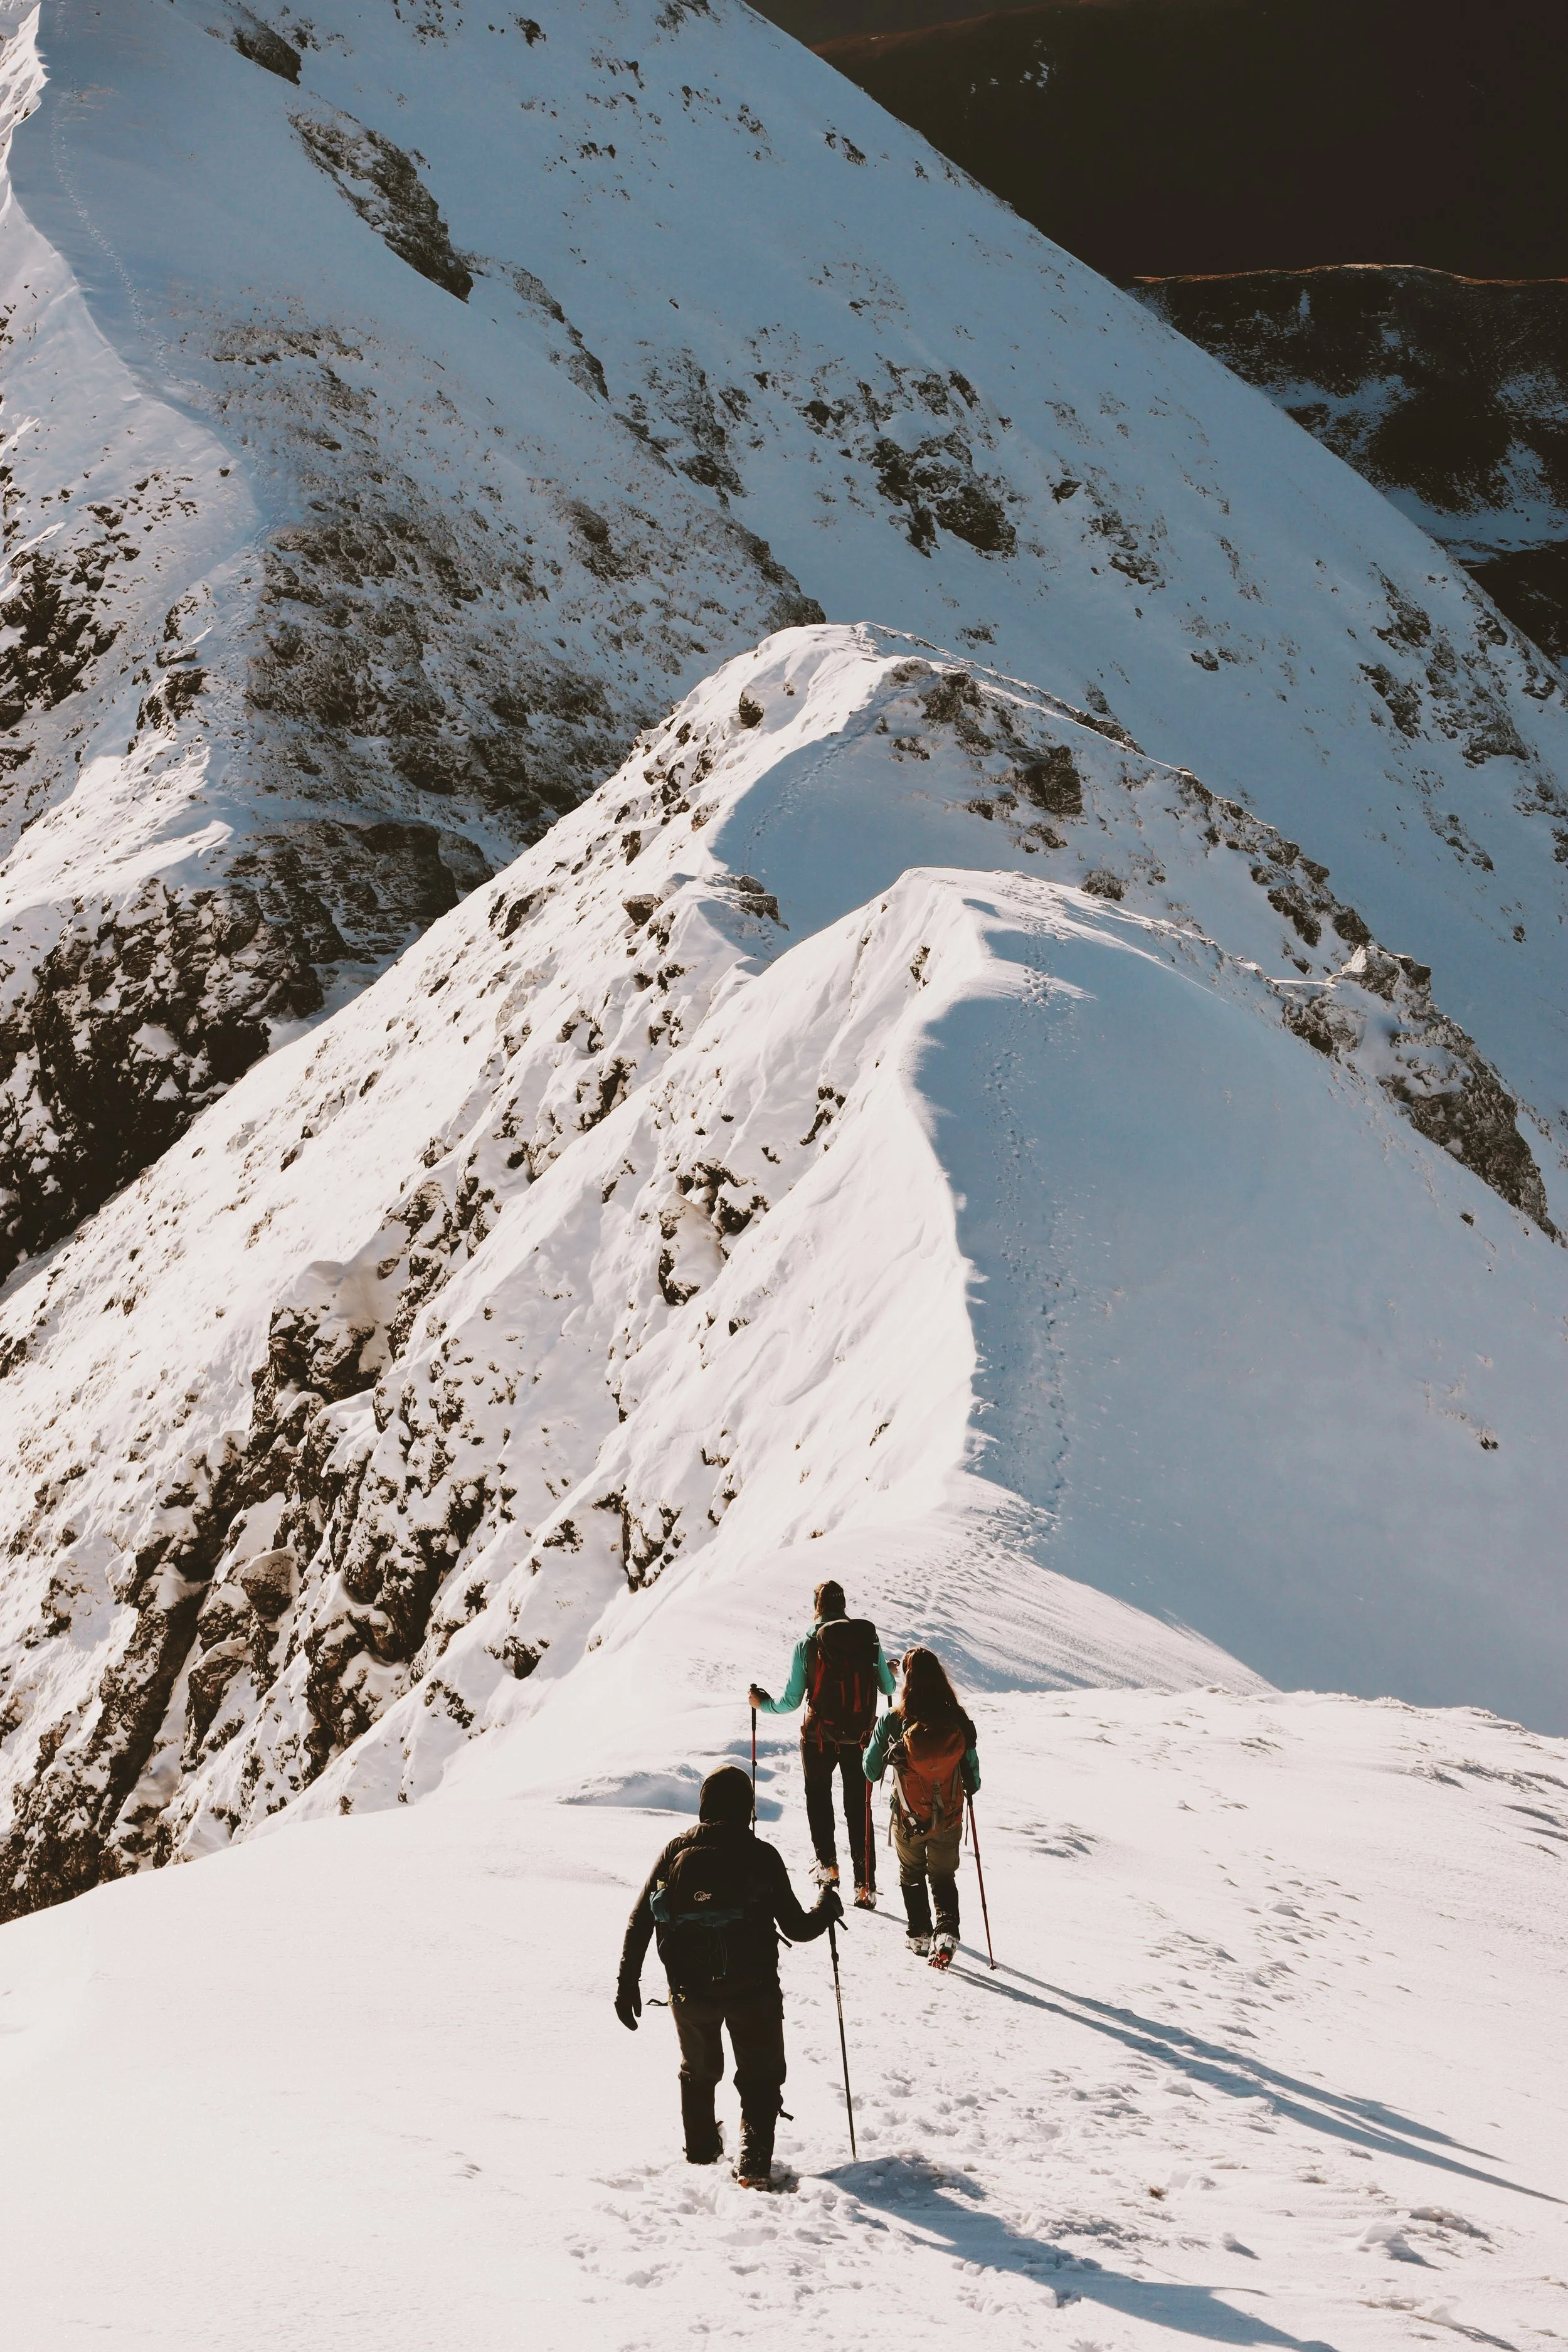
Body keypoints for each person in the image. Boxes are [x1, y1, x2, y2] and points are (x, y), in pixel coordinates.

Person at [615, 1762, 842, 2189]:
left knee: (699, 2071)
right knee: (760, 2076)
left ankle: (701, 2153)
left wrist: (627, 1983)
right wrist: (826, 1909)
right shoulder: (760, 1855)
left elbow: (640, 1920)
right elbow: (796, 1928)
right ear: (747, 1809)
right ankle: (754, 2162)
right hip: (753, 1990)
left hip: (690, 1992)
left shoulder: (676, 1851)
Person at [747, 1579, 896, 1909]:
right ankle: (865, 1883)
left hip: (819, 1738)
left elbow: (790, 1700)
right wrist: (887, 1671)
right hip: (860, 1738)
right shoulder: (867, 1640)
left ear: (817, 1607)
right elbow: (887, 1687)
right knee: (859, 1805)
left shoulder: (807, 1645)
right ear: (843, 1606)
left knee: (818, 1797)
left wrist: (763, 1704)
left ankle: (828, 1868)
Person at [863, 1646, 980, 1969]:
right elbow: (974, 1776)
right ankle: (947, 1931)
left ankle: (919, 1934)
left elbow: (870, 1771)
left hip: (908, 1817)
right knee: (943, 1875)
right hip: (950, 1819)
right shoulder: (957, 1719)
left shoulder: (893, 1720)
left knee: (911, 1874)